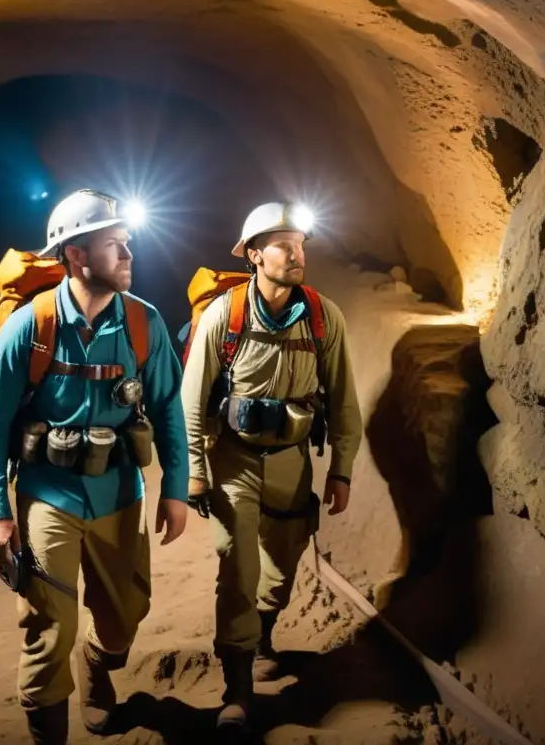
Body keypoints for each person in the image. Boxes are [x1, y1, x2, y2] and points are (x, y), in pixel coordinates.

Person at [0, 189, 190, 744]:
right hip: (49, 493)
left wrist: (177, 490)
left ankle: (97, 665)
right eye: (115, 245)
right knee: (49, 628)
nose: (128, 257)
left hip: (120, 490)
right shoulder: (31, 326)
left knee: (124, 618)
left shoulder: (144, 325)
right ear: (76, 255)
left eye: (128, 245)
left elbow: (167, 410)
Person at [180, 201, 363, 733]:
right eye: (284, 245)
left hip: (292, 461)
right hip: (232, 459)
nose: (297, 253)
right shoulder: (226, 316)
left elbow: (345, 400)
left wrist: (342, 470)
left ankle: (262, 631)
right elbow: (192, 401)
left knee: (280, 569)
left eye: (301, 244)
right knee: (238, 567)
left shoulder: (325, 317)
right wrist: (194, 467)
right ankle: (237, 686)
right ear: (255, 255)